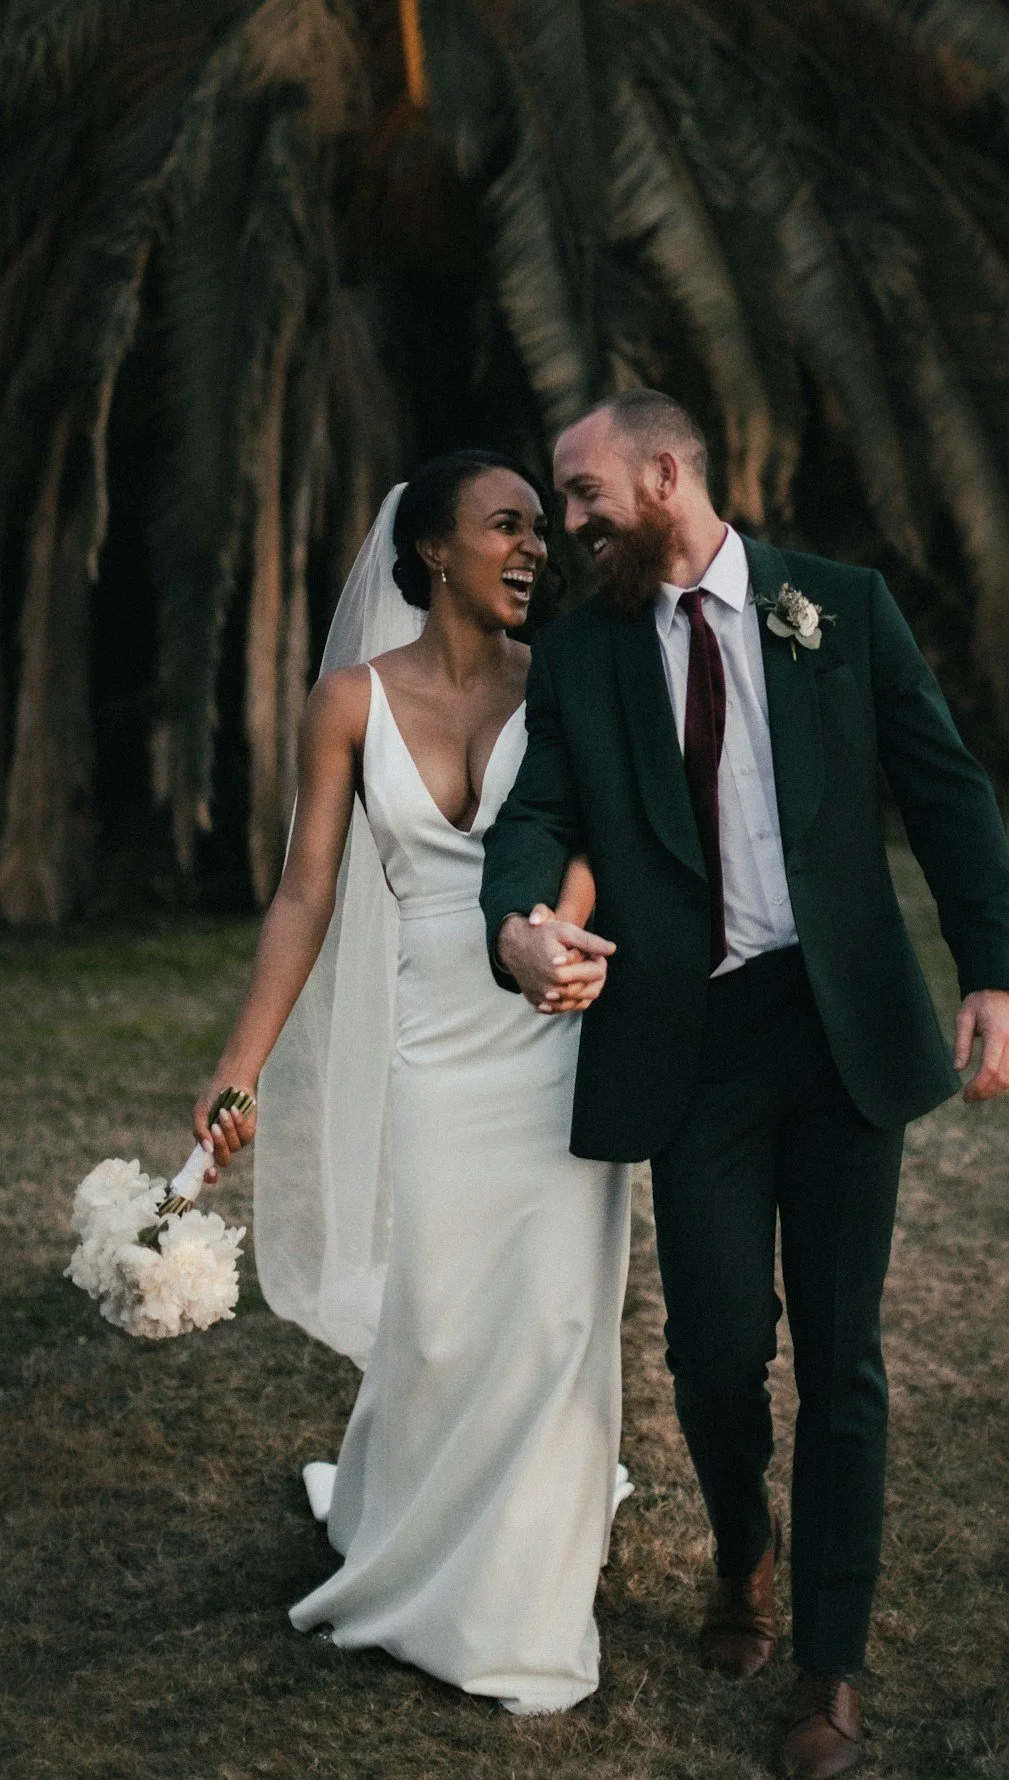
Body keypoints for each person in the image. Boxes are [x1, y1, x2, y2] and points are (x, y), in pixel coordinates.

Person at [481, 391, 1009, 1780]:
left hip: (839, 1024)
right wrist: (517, 921)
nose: (567, 520)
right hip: (693, 1041)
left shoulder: (838, 607)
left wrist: (993, 972)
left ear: (666, 472)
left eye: (583, 489)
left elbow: (944, 787)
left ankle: (828, 1673)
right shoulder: (584, 653)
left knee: (841, 1358)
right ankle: (741, 1546)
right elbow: (537, 811)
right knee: (716, 1348)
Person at [192, 452, 630, 1716]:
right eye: (508, 525)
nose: (536, 546)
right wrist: (239, 1070)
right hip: (435, 1045)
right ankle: (412, 1530)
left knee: (553, 1316)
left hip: (553, 1016)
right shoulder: (347, 701)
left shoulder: (563, 681)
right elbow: (305, 891)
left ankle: (521, 1605)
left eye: (542, 528)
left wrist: (566, 942)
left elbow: (593, 833)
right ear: (435, 549)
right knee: (438, 1318)